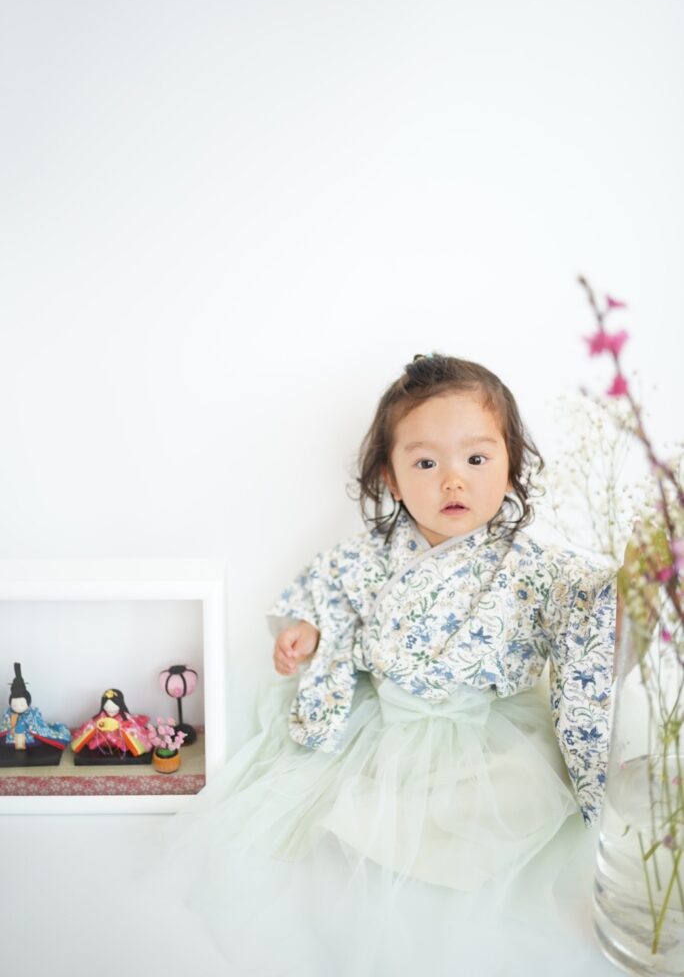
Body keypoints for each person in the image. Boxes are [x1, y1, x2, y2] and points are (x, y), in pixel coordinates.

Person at [144, 354, 620, 977]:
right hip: (387, 726)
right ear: (392, 479)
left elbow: (592, 597)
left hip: (489, 730)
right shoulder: (370, 555)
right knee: (347, 828)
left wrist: (626, 589)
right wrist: (305, 631)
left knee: (502, 809)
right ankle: (380, 881)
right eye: (426, 463)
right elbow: (326, 592)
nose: (453, 481)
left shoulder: (536, 565)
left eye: (476, 459)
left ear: (510, 466)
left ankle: (450, 890)